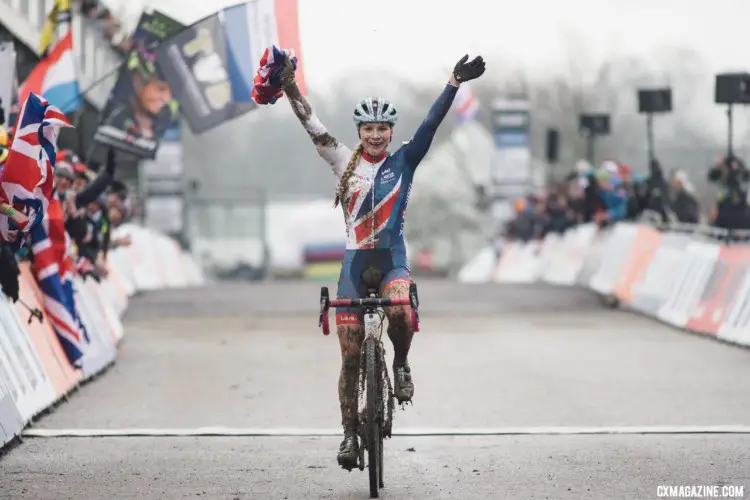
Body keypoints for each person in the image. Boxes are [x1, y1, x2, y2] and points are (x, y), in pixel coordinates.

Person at [276, 53, 485, 469]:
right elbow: (310, 123)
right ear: (359, 132)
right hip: (354, 265)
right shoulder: (340, 160)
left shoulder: (404, 160)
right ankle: (350, 434)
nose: (375, 136)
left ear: (391, 132)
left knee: (403, 313)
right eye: (368, 129)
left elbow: (431, 125)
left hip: (392, 260)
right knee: (350, 355)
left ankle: (402, 364)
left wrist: (453, 83)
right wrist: (289, 87)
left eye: (382, 129)